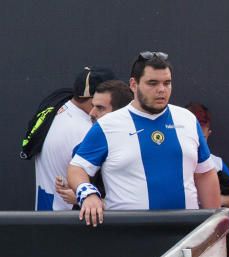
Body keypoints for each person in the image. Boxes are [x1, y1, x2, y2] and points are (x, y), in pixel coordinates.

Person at [69, 52, 221, 226]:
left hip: (185, 235)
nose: (161, 89)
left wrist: (215, 226)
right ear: (134, 84)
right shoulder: (107, 125)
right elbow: (77, 168)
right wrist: (88, 194)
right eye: (152, 83)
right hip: (130, 235)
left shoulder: (187, 119)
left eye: (167, 83)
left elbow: (205, 173)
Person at [34, 66, 116, 211]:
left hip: (45, 212)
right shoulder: (89, 131)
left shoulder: (56, 107)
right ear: (94, 98)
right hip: (69, 221)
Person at [54, 80, 134, 209]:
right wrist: (78, 188)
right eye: (93, 106)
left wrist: (84, 198)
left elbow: (134, 201)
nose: (91, 113)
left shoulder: (138, 147)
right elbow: (81, 178)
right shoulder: (84, 147)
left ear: (120, 112)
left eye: (100, 108)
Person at [186, 102, 229, 209]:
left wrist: (214, 199)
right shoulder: (171, 160)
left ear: (209, 133)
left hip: (206, 221)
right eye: (193, 137)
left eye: (202, 138)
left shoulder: (216, 162)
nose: (198, 142)